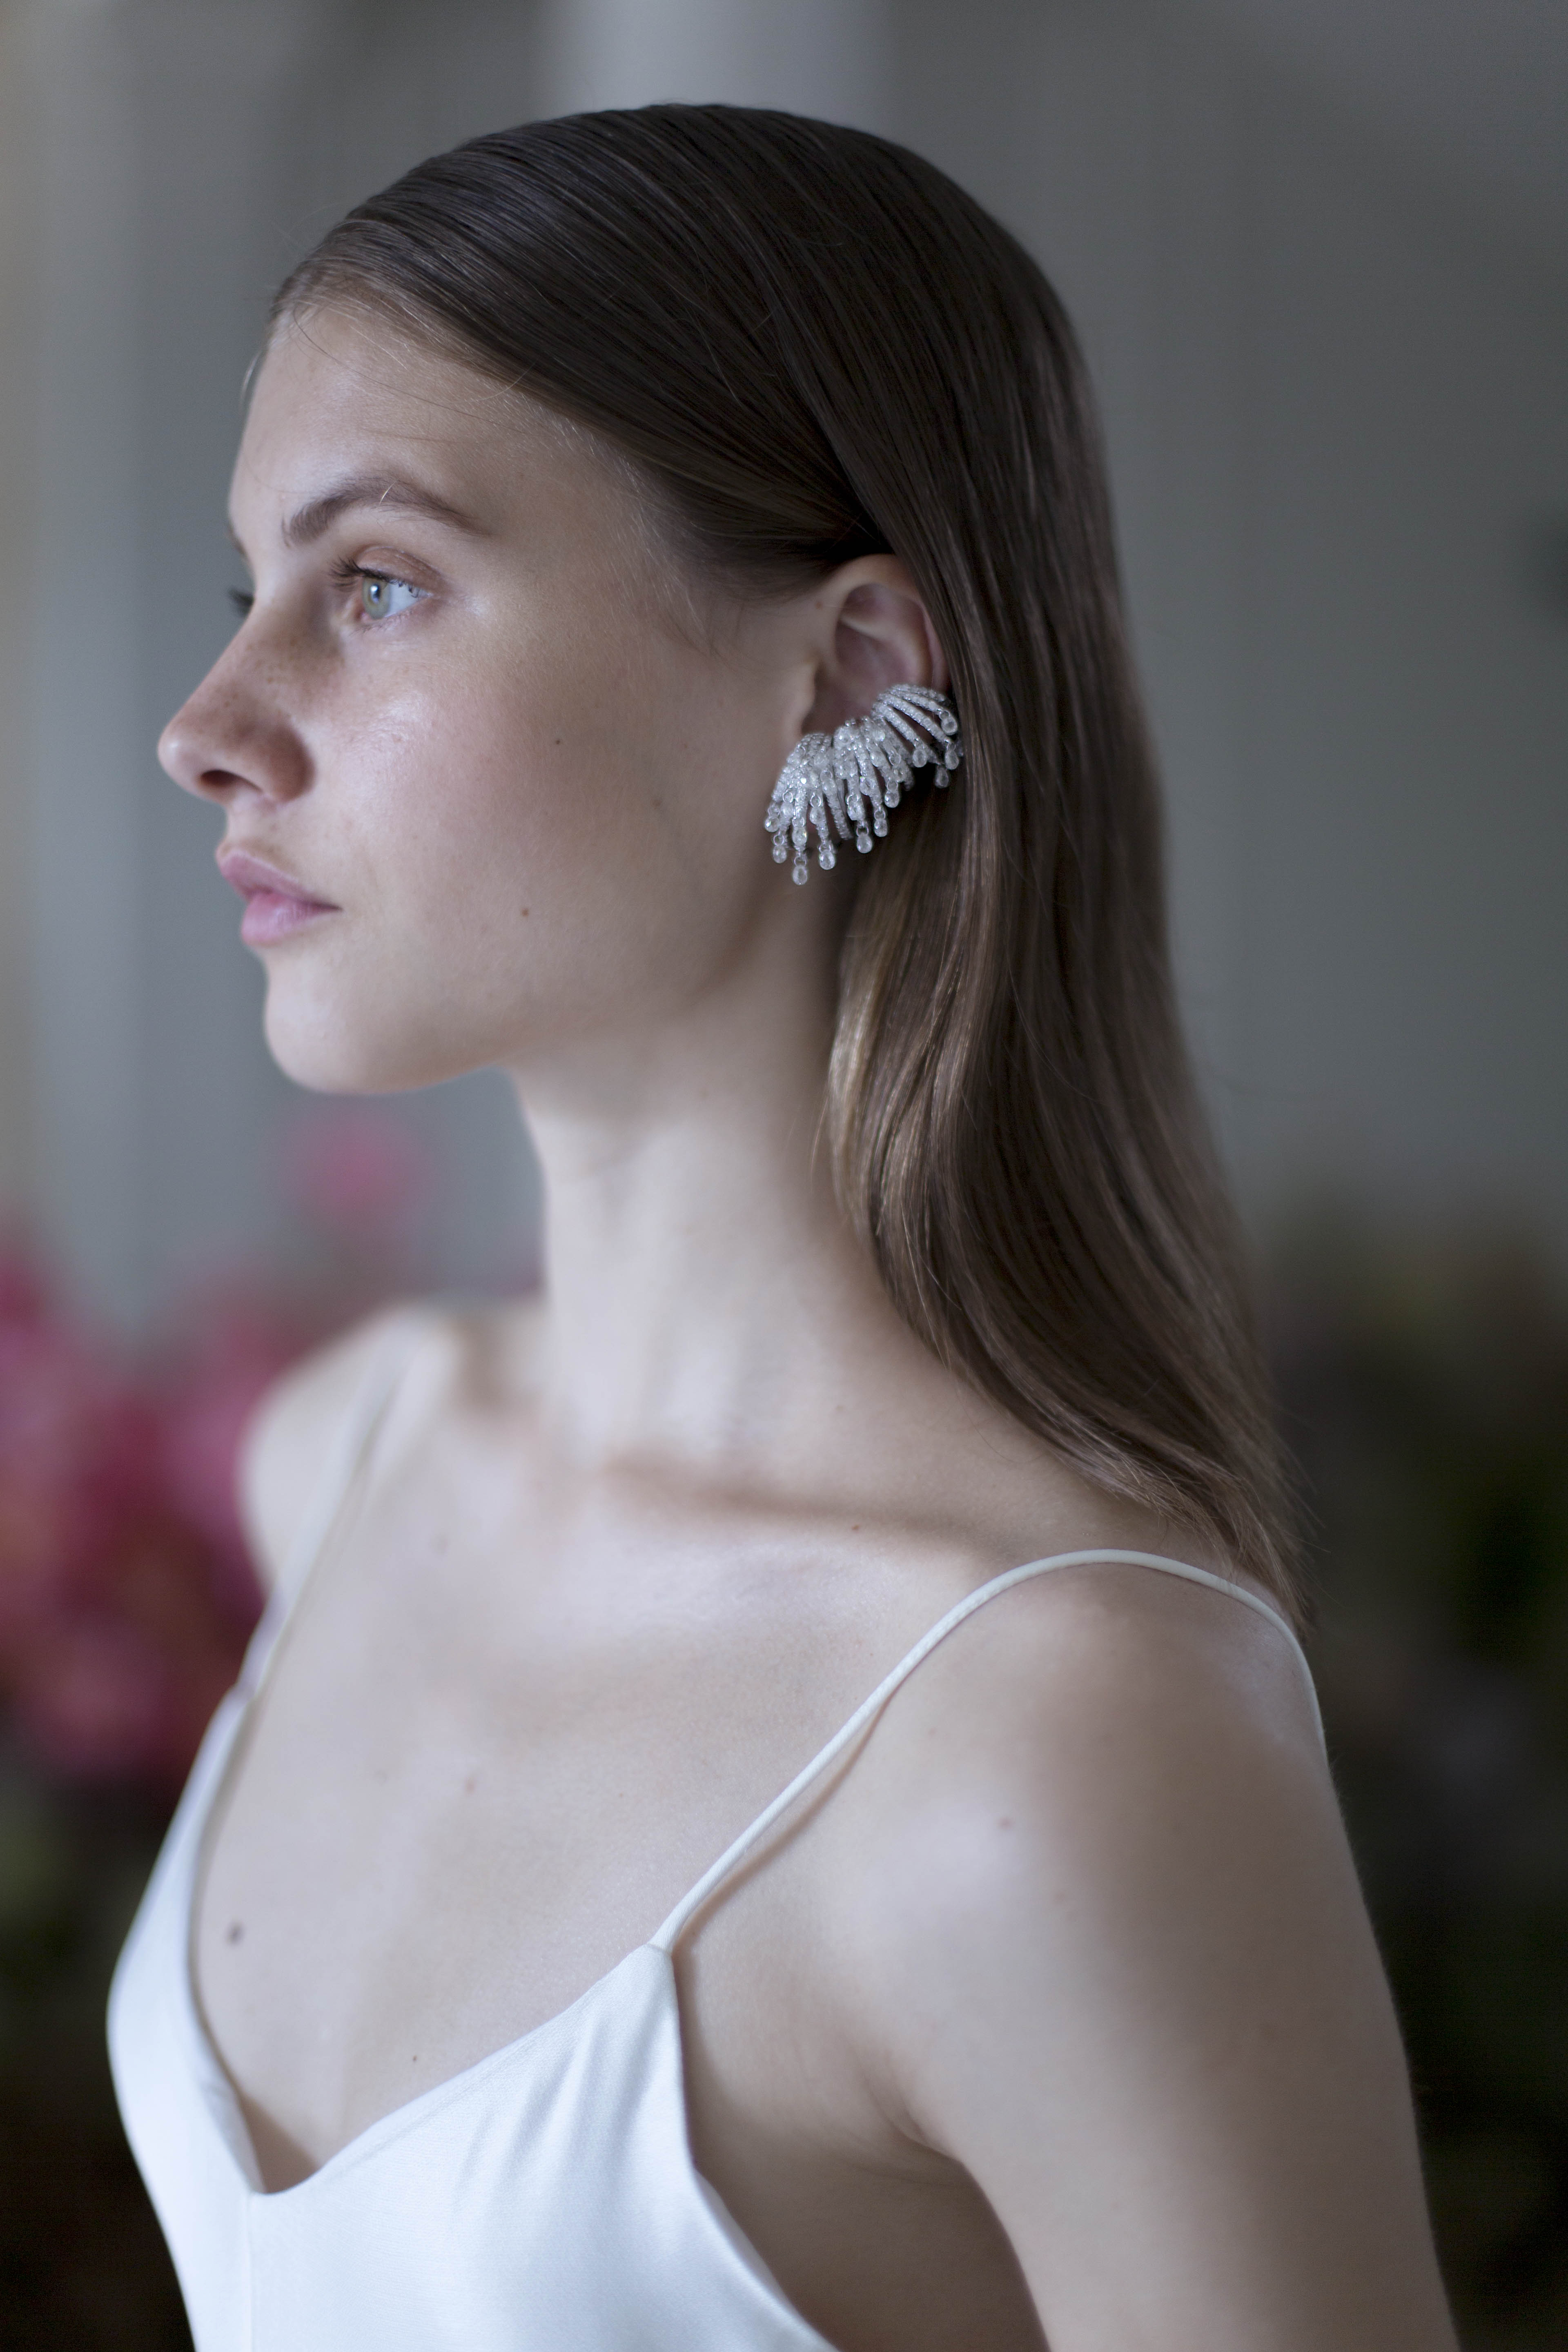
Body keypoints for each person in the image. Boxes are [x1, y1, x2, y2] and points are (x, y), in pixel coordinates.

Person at [111, 105, 1458, 2352]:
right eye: (241, 591)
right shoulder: (343, 1458)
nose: (207, 728)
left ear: (845, 674)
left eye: (378, 583)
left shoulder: (1055, 1747)